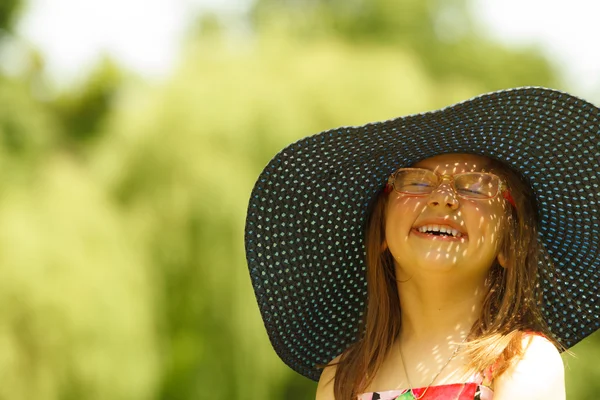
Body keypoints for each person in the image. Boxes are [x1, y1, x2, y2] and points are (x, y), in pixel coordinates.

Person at [244, 87, 600, 400]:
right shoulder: (342, 379)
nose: (443, 197)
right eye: (415, 182)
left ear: (510, 246)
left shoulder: (522, 360)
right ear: (382, 231)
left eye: (475, 185)